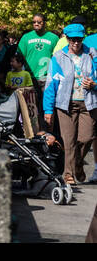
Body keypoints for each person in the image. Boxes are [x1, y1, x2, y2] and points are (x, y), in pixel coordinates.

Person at [42, 23, 96, 186]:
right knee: (69, 141)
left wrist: (94, 84)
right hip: (65, 105)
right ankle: (68, 174)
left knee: (87, 138)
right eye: (73, 39)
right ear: (67, 38)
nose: (76, 43)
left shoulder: (92, 54)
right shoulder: (58, 57)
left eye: (79, 39)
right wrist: (48, 110)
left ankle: (77, 164)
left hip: (89, 103)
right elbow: (51, 84)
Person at [19, 14, 60, 105]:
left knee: (47, 106)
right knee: (32, 107)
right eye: (34, 22)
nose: (36, 24)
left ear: (44, 23)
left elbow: (59, 58)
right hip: (30, 78)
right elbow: (19, 57)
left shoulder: (53, 38)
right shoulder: (26, 37)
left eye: (39, 22)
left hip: (47, 78)